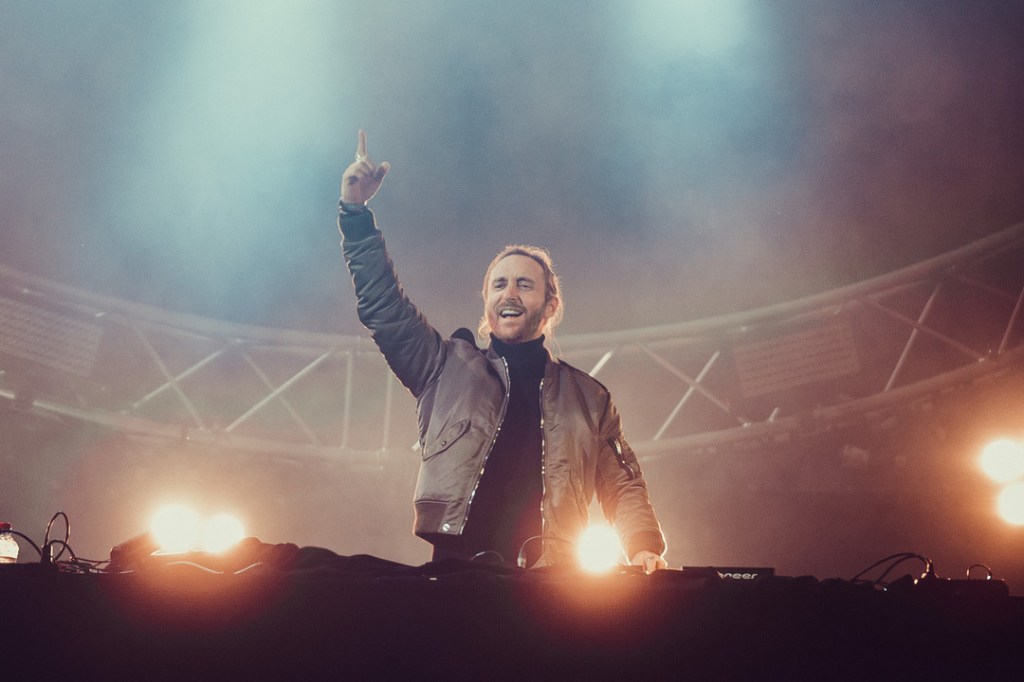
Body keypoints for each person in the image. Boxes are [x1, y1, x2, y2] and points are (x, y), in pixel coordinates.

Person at [337, 130, 667, 572]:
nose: (509, 293)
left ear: (550, 306)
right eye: (499, 284)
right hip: (456, 575)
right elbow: (384, 309)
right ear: (487, 302)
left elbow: (622, 483)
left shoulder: (589, 399)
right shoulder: (445, 367)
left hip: (552, 580)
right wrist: (356, 215)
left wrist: (643, 548)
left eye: (524, 284)